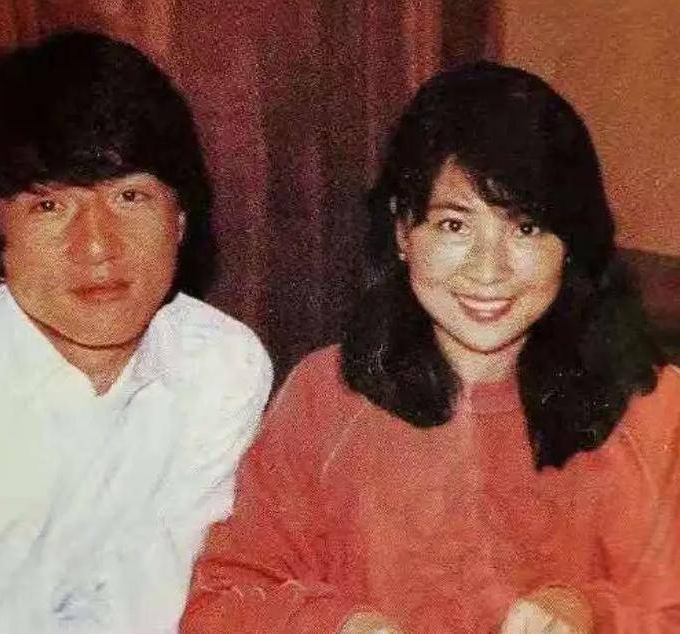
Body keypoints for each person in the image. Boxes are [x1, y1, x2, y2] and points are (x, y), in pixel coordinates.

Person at [181, 62, 680, 633]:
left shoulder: (653, 409)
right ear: (402, 231)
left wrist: (591, 614)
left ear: (571, 244)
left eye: (525, 228)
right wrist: (335, 626)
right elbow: (220, 604)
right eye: (453, 225)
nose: (488, 270)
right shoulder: (326, 397)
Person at [0, 31, 272, 633]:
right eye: (49, 206)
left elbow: (154, 609)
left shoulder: (218, 368)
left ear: (180, 217)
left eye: (130, 196)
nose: (96, 245)